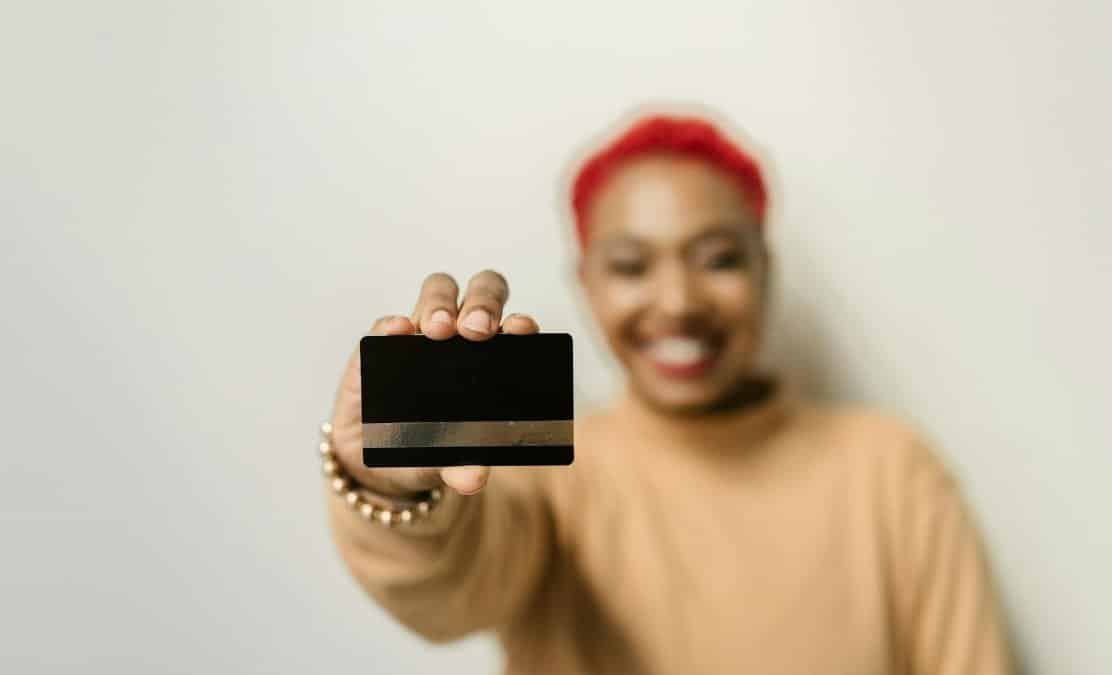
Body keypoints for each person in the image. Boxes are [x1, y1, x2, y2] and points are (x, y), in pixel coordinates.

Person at [320, 114, 1014, 675]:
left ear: (765, 270)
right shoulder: (548, 476)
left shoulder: (890, 467)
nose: (678, 301)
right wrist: (393, 488)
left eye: (717, 258)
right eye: (629, 265)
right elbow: (449, 595)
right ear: (585, 284)